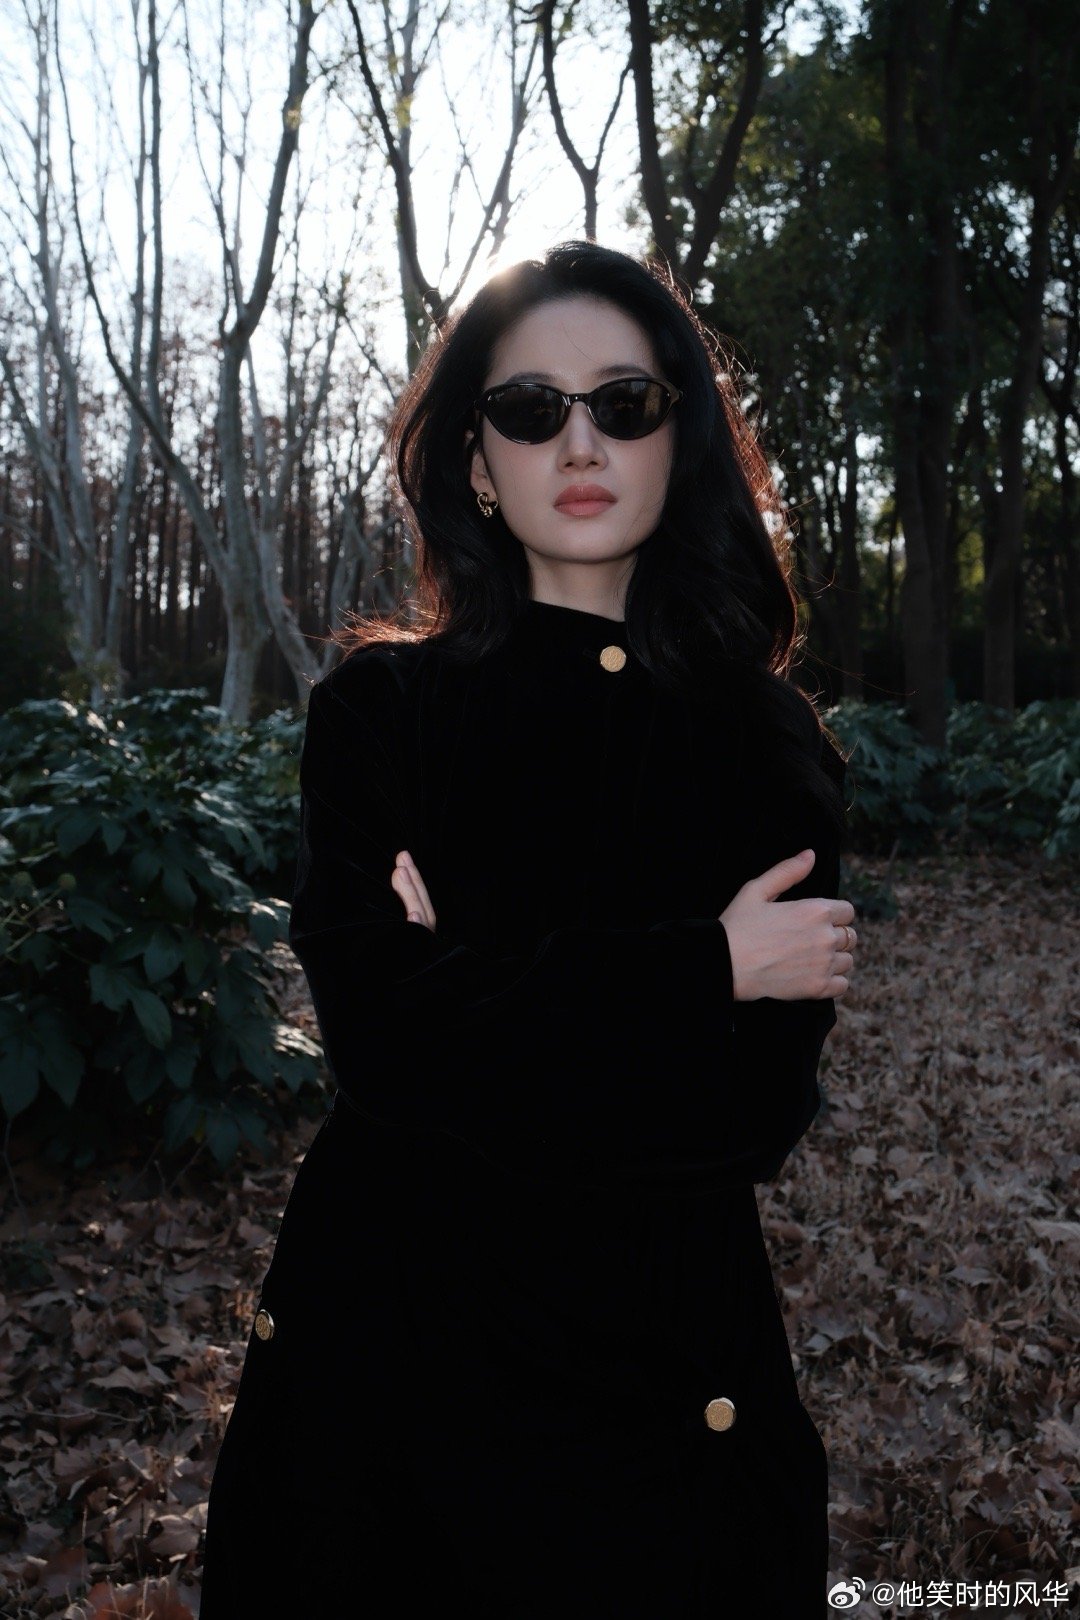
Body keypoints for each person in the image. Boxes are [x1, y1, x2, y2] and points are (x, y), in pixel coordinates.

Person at [199, 240, 857, 1617]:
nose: (581, 441)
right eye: (529, 407)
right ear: (477, 461)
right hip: (396, 1375)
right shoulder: (381, 716)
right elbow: (387, 1046)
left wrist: (480, 986)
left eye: (624, 403)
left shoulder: (764, 744)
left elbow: (744, 1116)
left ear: (681, 438)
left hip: (664, 1384)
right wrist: (711, 964)